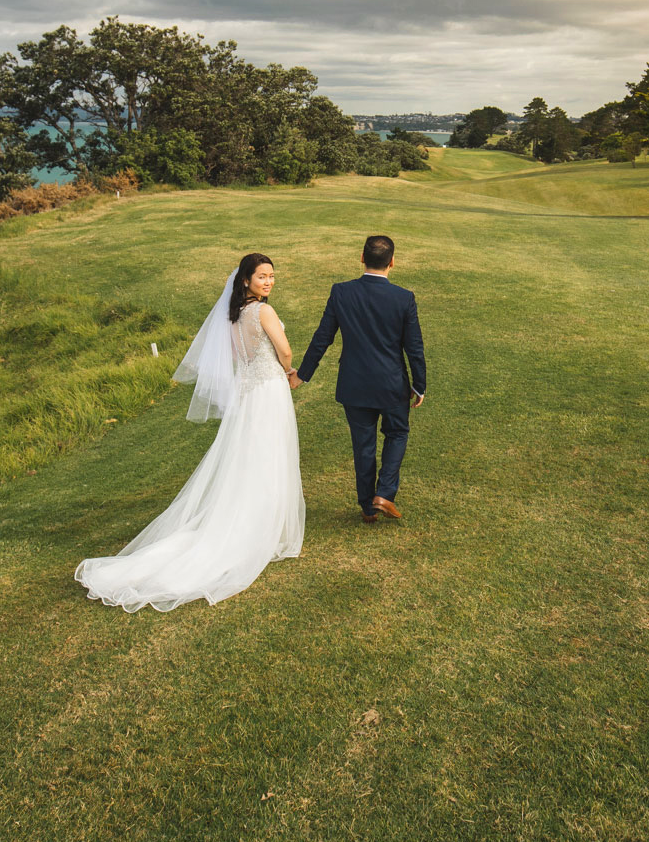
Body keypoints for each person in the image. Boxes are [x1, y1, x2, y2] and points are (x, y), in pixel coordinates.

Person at [75, 253, 304, 611]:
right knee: (270, 453)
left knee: (250, 456)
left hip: (248, 394)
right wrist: (288, 371)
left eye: (272, 276)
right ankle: (263, 527)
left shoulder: (232, 317)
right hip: (270, 389)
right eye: (262, 277)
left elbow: (238, 358)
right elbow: (285, 351)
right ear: (245, 280)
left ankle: (256, 518)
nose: (269, 282)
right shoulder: (262, 312)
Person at [296, 234, 427, 523]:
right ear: (392, 262)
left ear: (361, 258)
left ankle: (368, 507)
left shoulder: (341, 292)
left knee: (363, 443)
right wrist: (419, 385)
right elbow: (413, 347)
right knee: (397, 434)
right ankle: (384, 494)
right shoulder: (404, 298)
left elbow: (322, 338)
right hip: (392, 384)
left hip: (354, 384)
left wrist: (302, 375)